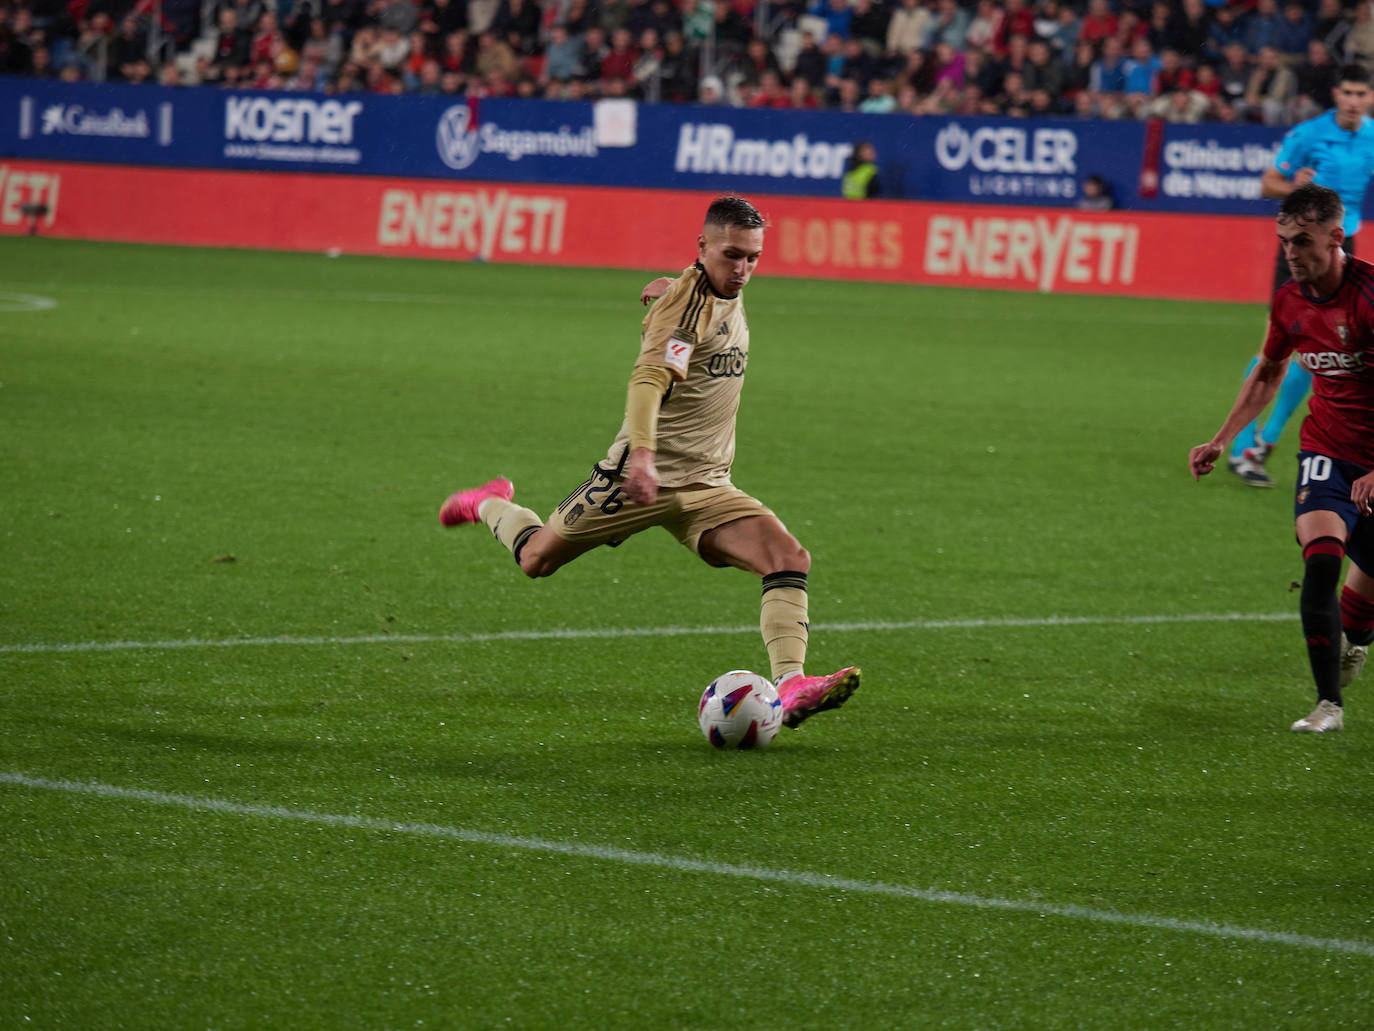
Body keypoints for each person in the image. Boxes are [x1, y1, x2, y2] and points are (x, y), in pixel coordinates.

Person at [438, 196, 861, 730]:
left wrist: (673, 284)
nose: (744, 269)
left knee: (788, 557)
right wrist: (641, 456)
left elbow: (690, 302)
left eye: (753, 257)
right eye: (732, 256)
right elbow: (649, 381)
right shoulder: (687, 311)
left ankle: (791, 683)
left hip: (707, 483)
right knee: (537, 560)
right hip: (642, 480)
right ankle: (490, 503)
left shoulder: (706, 288)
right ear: (703, 247)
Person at [1189, 184, 1374, 733]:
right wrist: (1222, 438)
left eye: (1301, 241)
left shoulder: (1368, 298)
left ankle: (1358, 639)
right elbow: (1269, 373)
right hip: (1326, 450)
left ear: (1336, 236)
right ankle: (1328, 706)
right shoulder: (1289, 301)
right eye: (1283, 241)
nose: (1289, 253)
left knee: (1360, 613)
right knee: (1321, 561)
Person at [1229, 63, 1374, 488]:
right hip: (1304, 249)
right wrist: (1292, 186)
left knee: (1331, 352)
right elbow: (1267, 183)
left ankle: (1263, 444)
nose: (1353, 101)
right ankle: (1241, 448)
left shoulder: (1371, 134)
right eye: (1347, 92)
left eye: (1361, 94)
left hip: (1347, 247)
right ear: (1336, 94)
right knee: (1279, 350)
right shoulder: (1310, 134)